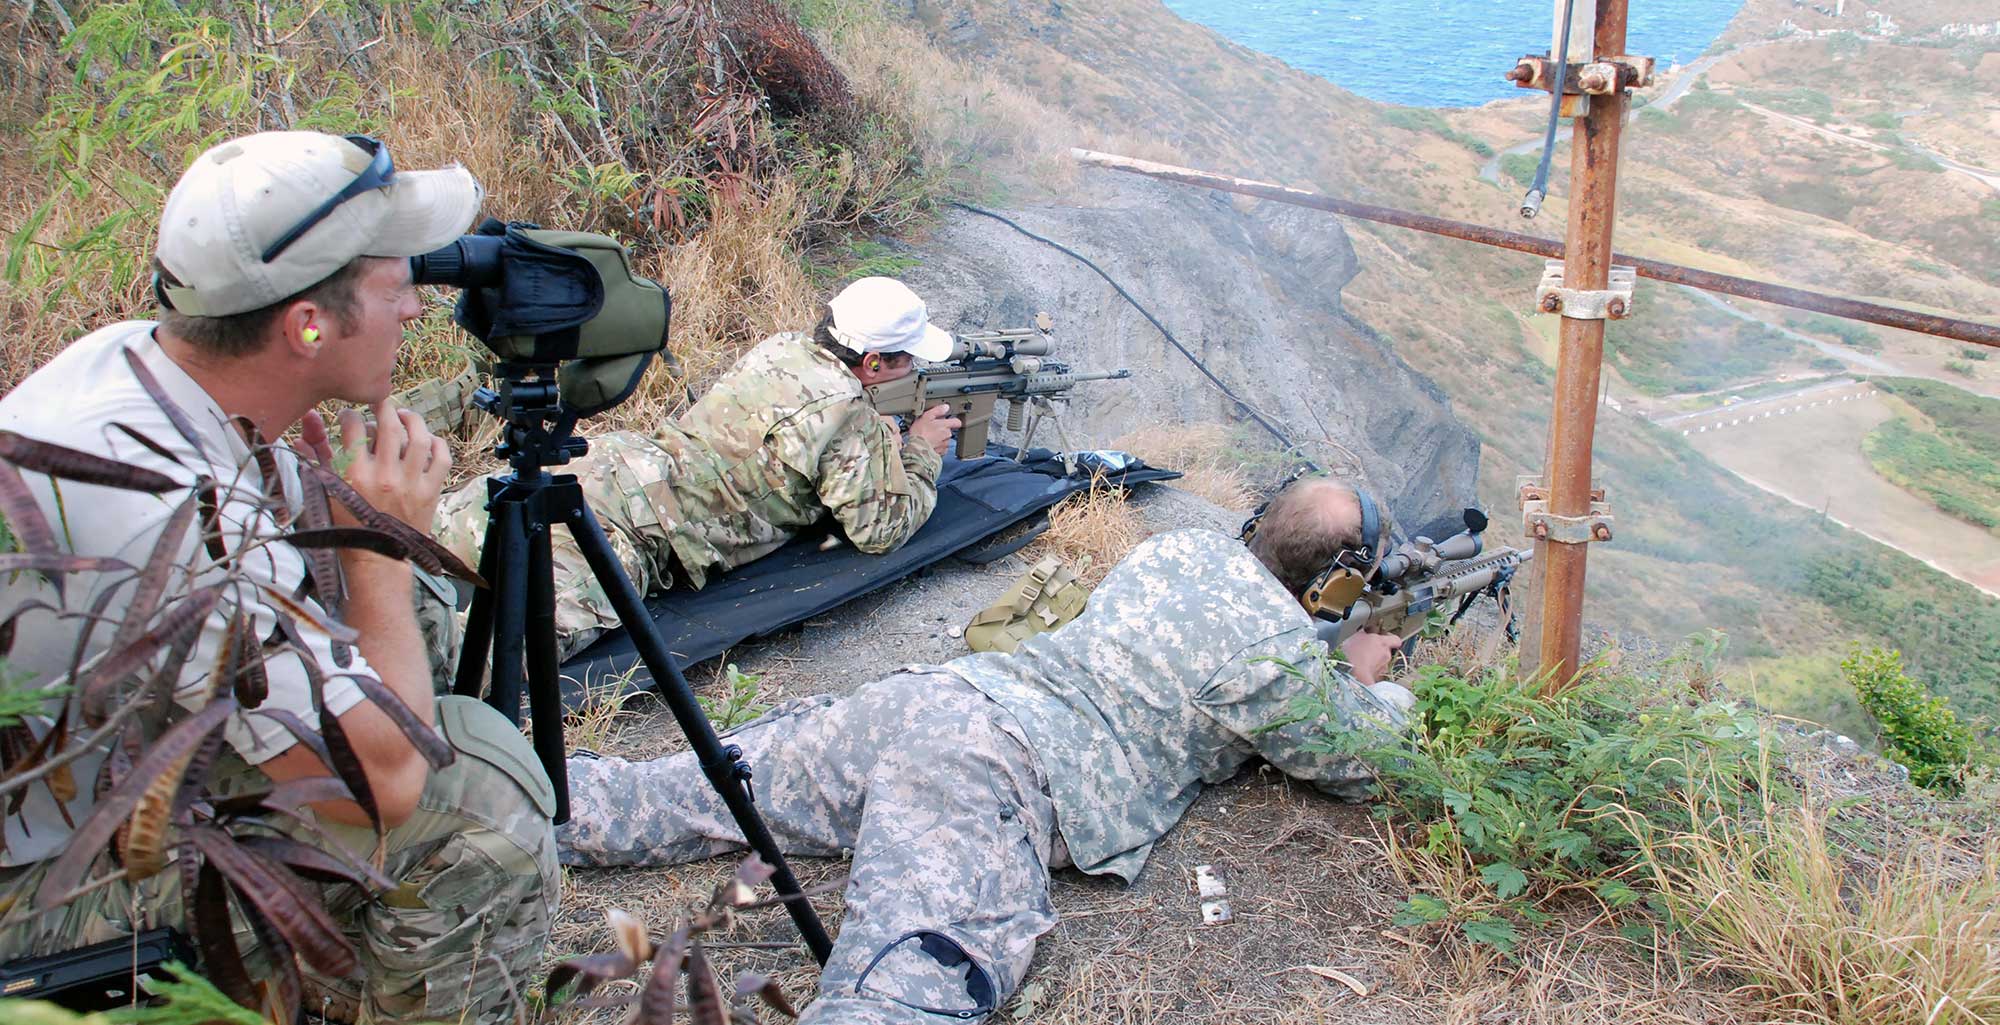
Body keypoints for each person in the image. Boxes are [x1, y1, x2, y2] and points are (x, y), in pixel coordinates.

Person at [0, 131, 558, 1023]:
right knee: (479, 797)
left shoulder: (141, 362)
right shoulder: (165, 509)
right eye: (394, 283)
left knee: (411, 610)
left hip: (98, 770)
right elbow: (390, 784)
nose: (417, 305)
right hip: (31, 902)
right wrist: (377, 548)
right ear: (306, 324)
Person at [558, 475, 1412, 1024]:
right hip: (988, 764)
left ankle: (492, 805)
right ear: (1335, 584)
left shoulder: (1178, 547)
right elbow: (1361, 759)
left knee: (655, 797)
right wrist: (1373, 683)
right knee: (899, 996)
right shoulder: (1277, 655)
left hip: (929, 696)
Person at [433, 276, 964, 659]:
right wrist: (919, 450)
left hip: (603, 468)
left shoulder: (782, 348)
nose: (913, 369)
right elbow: (879, 530)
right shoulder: (848, 412)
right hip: (625, 535)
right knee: (471, 659)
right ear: (873, 363)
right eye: (906, 359)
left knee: (404, 540)